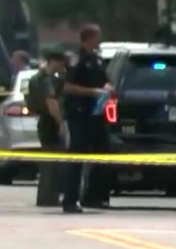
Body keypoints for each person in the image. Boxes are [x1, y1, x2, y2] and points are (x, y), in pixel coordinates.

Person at [61, 24, 113, 213]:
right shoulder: (76, 59)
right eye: (97, 36)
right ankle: (69, 200)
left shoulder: (98, 59)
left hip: (97, 113)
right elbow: (68, 87)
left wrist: (107, 88)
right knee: (77, 156)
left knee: (103, 152)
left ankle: (93, 197)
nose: (98, 40)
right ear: (89, 38)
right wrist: (92, 92)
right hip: (80, 113)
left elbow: (104, 80)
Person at [27, 50, 67, 206]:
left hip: (43, 121)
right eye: (62, 64)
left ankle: (47, 197)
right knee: (53, 162)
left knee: (48, 163)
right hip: (50, 122)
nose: (63, 68)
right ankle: (49, 198)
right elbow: (51, 102)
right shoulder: (47, 80)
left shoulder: (36, 78)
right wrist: (60, 123)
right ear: (55, 62)